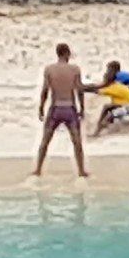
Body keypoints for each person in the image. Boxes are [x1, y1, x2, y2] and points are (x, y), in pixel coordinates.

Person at [33, 43, 87, 178]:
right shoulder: (75, 69)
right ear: (67, 53)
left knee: (45, 140)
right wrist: (82, 108)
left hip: (55, 108)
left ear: (57, 54)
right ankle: (81, 171)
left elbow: (45, 90)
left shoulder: (49, 69)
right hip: (70, 109)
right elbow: (79, 89)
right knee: (77, 141)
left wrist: (41, 107)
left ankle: (38, 169)